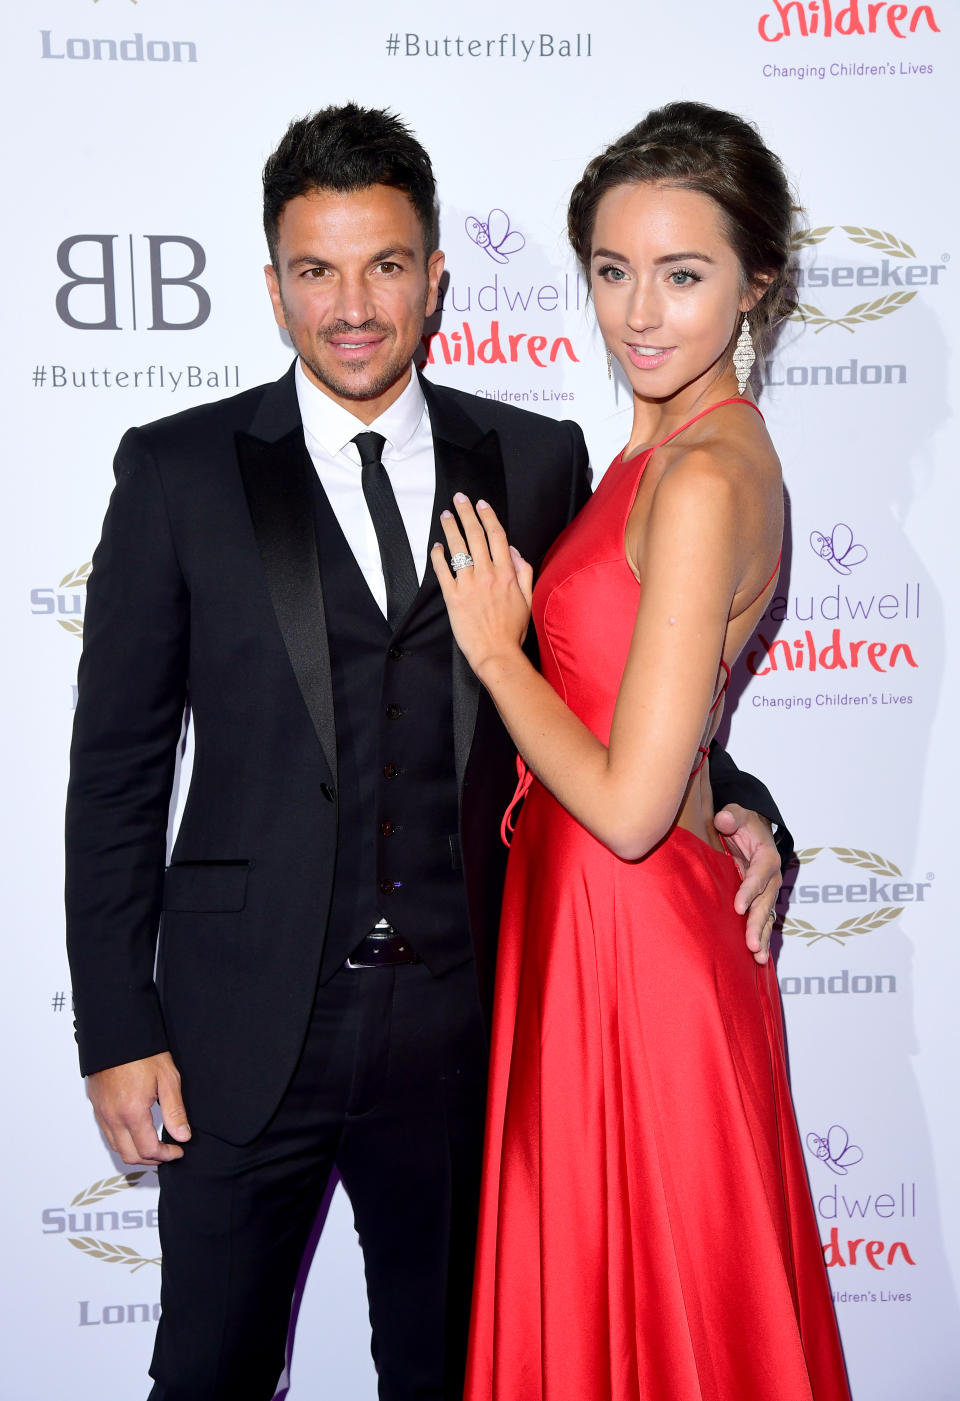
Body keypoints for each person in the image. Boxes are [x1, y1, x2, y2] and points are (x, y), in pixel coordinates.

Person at [65, 104, 788, 1401]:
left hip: (476, 1029)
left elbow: (617, 675)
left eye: (386, 264)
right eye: (317, 269)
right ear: (273, 283)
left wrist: (739, 801)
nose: (353, 304)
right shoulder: (177, 474)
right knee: (206, 1370)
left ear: (436, 274)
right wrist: (118, 1024)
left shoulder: (533, 457)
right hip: (240, 1033)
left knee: (460, 1373)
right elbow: (115, 768)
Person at [433, 102, 851, 1400]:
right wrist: (735, 799)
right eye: (614, 272)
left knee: (665, 1323)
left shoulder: (709, 475)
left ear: (756, 284)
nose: (640, 313)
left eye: (684, 274)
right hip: (587, 932)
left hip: (636, 950)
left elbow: (620, 803)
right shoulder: (656, 449)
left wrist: (499, 652)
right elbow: (660, 740)